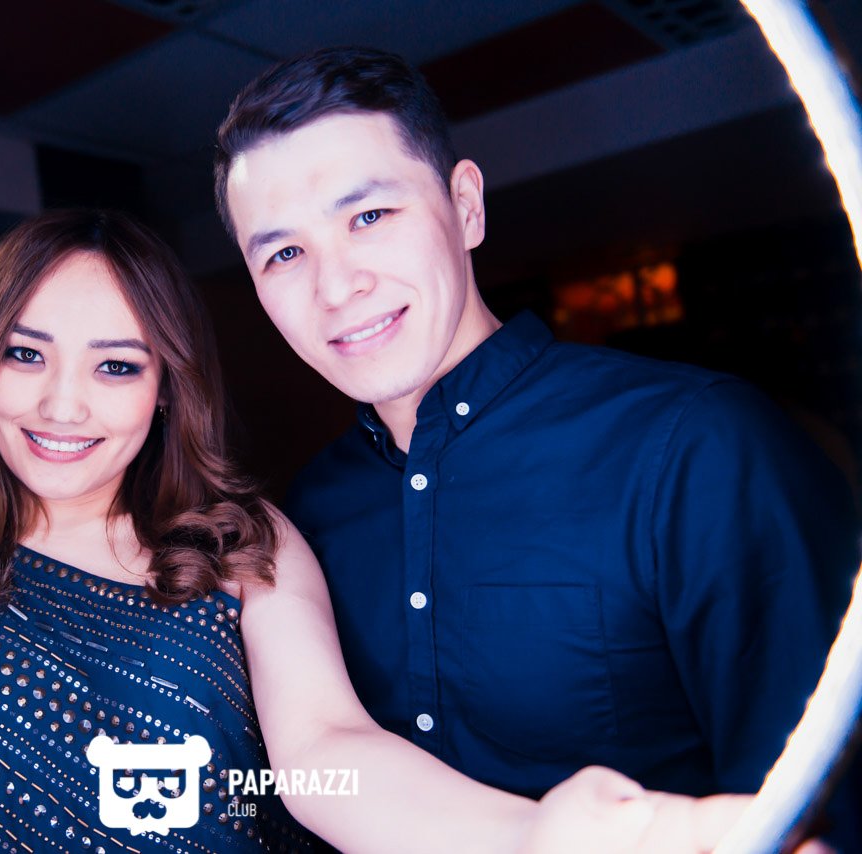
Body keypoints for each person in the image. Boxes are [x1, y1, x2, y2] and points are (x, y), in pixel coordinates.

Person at [0, 210, 757, 854]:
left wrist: (539, 837)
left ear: (166, 390)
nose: (63, 405)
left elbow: (327, 757)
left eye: (117, 366)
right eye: (24, 354)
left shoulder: (241, 542)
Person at [213, 45, 860, 841]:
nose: (337, 286)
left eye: (369, 217)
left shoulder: (698, 445)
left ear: (466, 207)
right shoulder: (307, 518)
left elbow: (819, 811)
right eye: (284, 253)